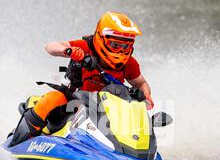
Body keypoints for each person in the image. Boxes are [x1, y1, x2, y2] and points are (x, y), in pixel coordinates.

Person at [9, 11, 154, 147]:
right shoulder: (85, 46)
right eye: (115, 45)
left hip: (108, 109)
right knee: (49, 99)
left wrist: (146, 96)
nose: (121, 50)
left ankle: (134, 152)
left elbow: (141, 82)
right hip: (73, 99)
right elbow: (50, 46)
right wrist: (68, 51)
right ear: (101, 38)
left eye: (126, 46)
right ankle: (19, 142)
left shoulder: (130, 64)